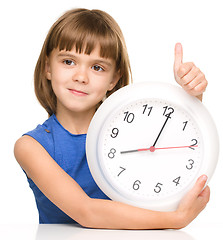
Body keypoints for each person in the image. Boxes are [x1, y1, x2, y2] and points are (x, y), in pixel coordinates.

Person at [14, 8, 209, 229]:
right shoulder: (31, 147)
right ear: (48, 67)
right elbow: (86, 211)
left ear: (113, 80)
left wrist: (192, 94)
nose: (81, 77)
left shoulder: (131, 132)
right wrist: (176, 219)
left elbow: (176, 142)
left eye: (97, 67)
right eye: (68, 61)